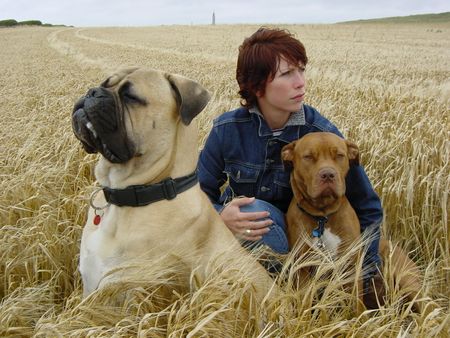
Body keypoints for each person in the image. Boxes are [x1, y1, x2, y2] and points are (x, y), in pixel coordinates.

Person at [197, 27, 383, 284]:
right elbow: (197, 195)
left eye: (301, 70)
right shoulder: (226, 130)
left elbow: (368, 207)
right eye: (287, 73)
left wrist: (370, 276)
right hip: (252, 231)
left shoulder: (322, 135)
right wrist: (219, 216)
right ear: (258, 86)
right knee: (253, 212)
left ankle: (289, 284)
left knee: (258, 217)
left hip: (303, 238)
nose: (300, 82)